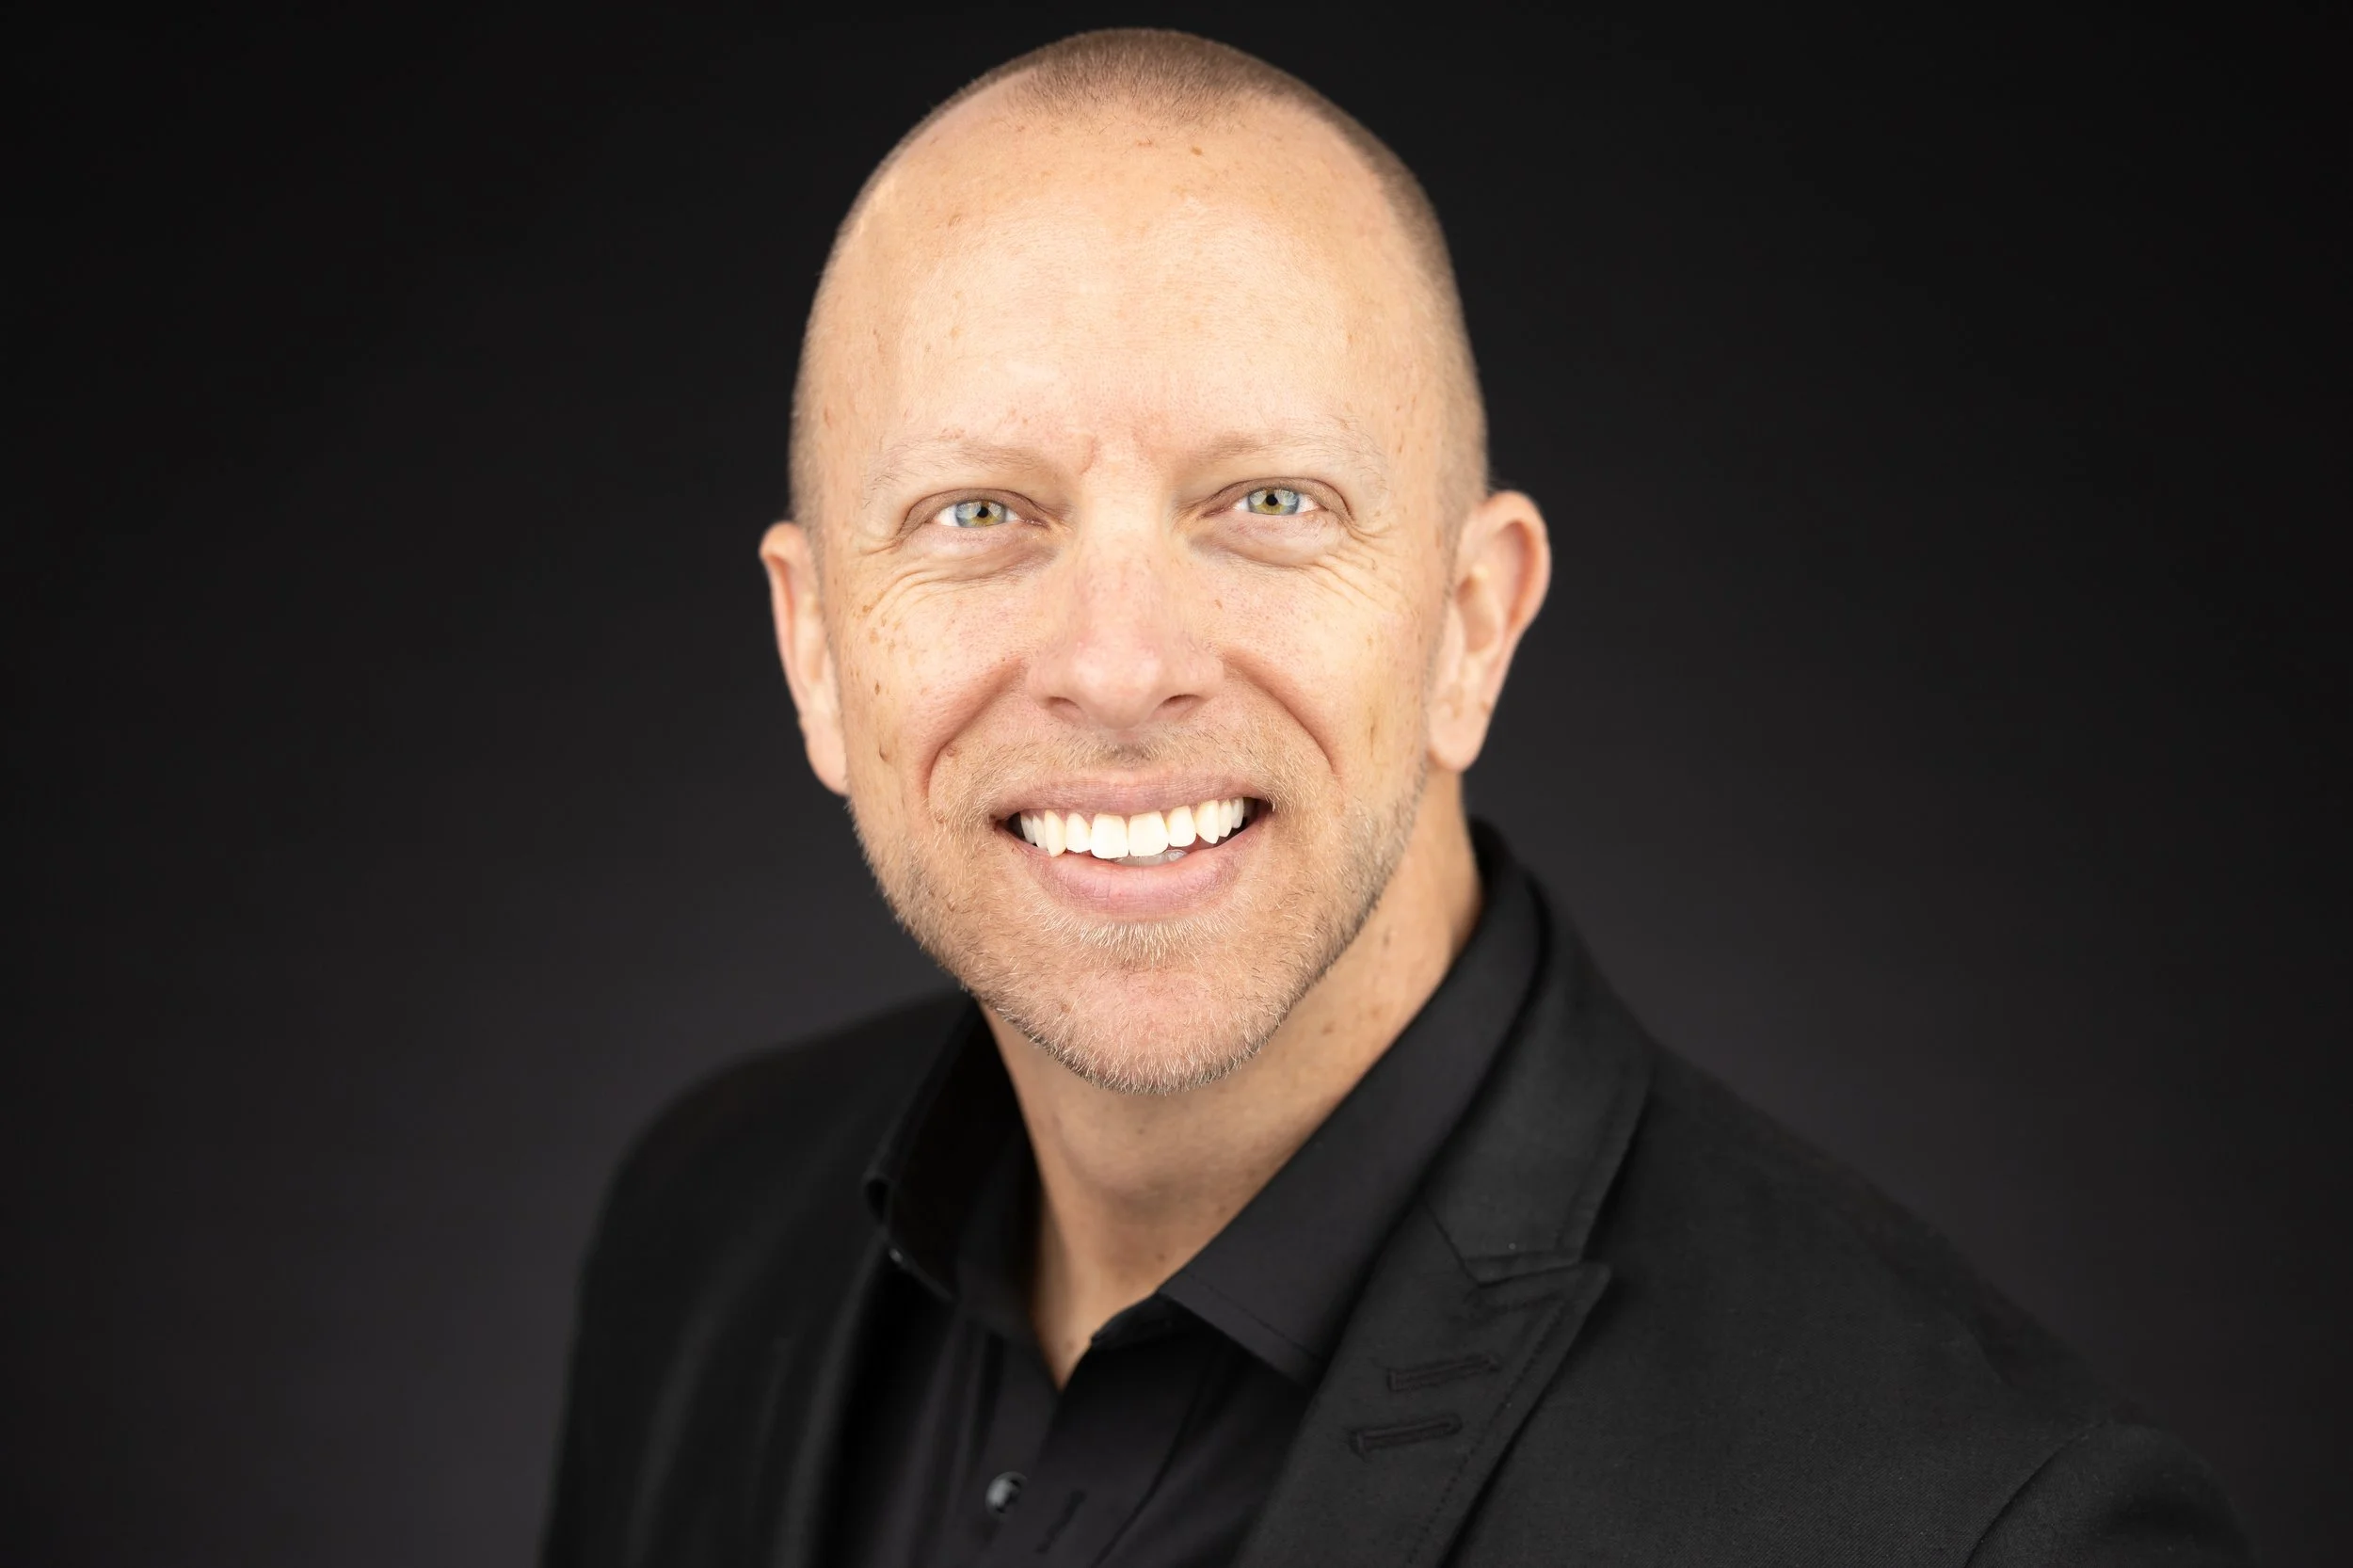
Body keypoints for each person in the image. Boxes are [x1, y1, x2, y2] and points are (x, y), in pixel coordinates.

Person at [542, 29, 2251, 1567]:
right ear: (819, 653)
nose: (1122, 666)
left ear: (1470, 626)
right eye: (980, 514)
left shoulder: (1982, 1528)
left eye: (1267, 499)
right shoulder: (702, 1227)